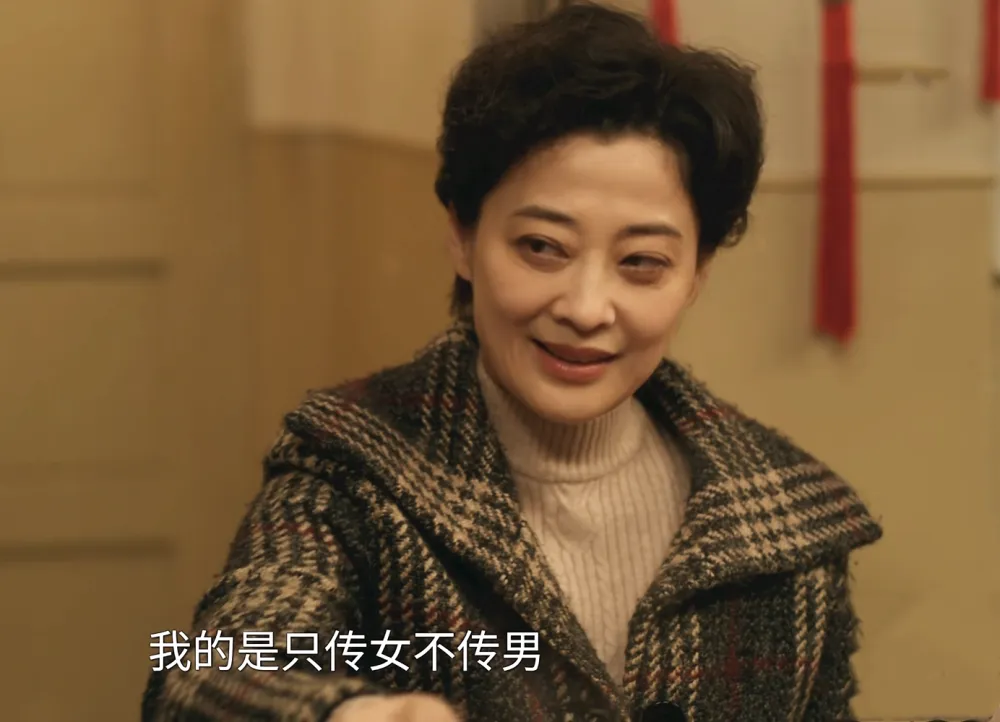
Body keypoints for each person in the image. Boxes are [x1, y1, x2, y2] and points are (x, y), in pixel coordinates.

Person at [141, 3, 882, 721]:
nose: (586, 308)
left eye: (642, 262)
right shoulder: (351, 473)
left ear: (696, 275)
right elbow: (210, 668)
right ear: (463, 236)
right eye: (541, 248)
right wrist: (349, 712)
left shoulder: (786, 525)